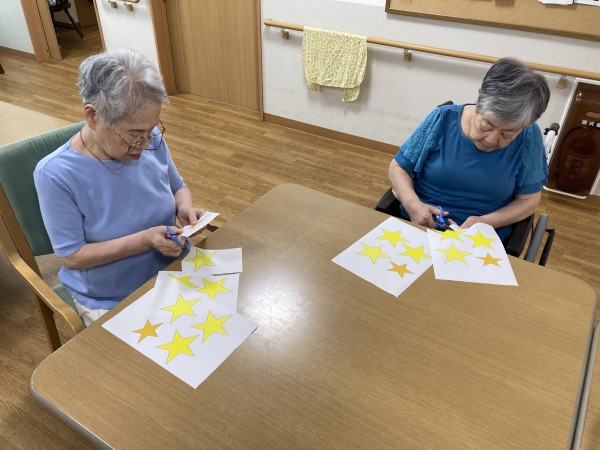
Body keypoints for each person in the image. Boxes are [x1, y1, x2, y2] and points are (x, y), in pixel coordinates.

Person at [34, 48, 205, 326]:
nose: (144, 144)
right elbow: (73, 257)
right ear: (93, 116)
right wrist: (145, 240)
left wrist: (184, 207)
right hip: (112, 296)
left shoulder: (149, 138)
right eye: (134, 134)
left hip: (173, 268)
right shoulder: (55, 174)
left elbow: (178, 186)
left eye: (151, 129)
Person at [388, 57, 551, 241]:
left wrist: (485, 222)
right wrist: (413, 206)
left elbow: (528, 200)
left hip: (481, 239)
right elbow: (398, 168)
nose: (491, 140)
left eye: (508, 133)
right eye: (487, 124)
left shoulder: (529, 136)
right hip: (418, 226)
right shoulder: (442, 119)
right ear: (479, 103)